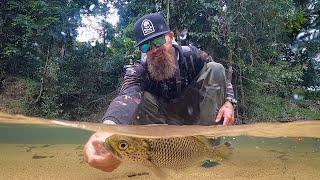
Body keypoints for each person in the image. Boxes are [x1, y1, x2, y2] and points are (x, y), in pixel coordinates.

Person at [84, 13, 237, 172]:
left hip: (193, 116)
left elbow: (221, 77)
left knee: (216, 68)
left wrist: (229, 101)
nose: (153, 50)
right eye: (145, 46)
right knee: (139, 98)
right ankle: (147, 159)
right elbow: (127, 95)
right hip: (160, 123)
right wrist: (107, 128)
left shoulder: (193, 55)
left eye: (157, 41)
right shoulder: (139, 70)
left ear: (170, 37)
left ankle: (210, 148)